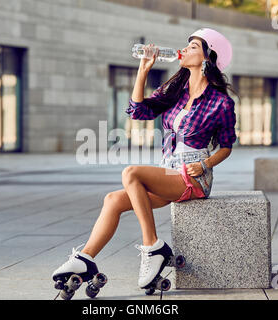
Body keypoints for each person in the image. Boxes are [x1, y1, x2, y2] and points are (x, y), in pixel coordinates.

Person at [52, 28, 239, 293]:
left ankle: (153, 247)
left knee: (132, 173)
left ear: (208, 58)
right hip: (169, 174)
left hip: (193, 177)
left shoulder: (221, 102)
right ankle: (85, 259)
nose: (184, 50)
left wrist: (206, 165)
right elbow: (138, 111)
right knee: (113, 200)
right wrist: (143, 69)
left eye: (193, 47)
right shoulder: (177, 92)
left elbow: (227, 146)